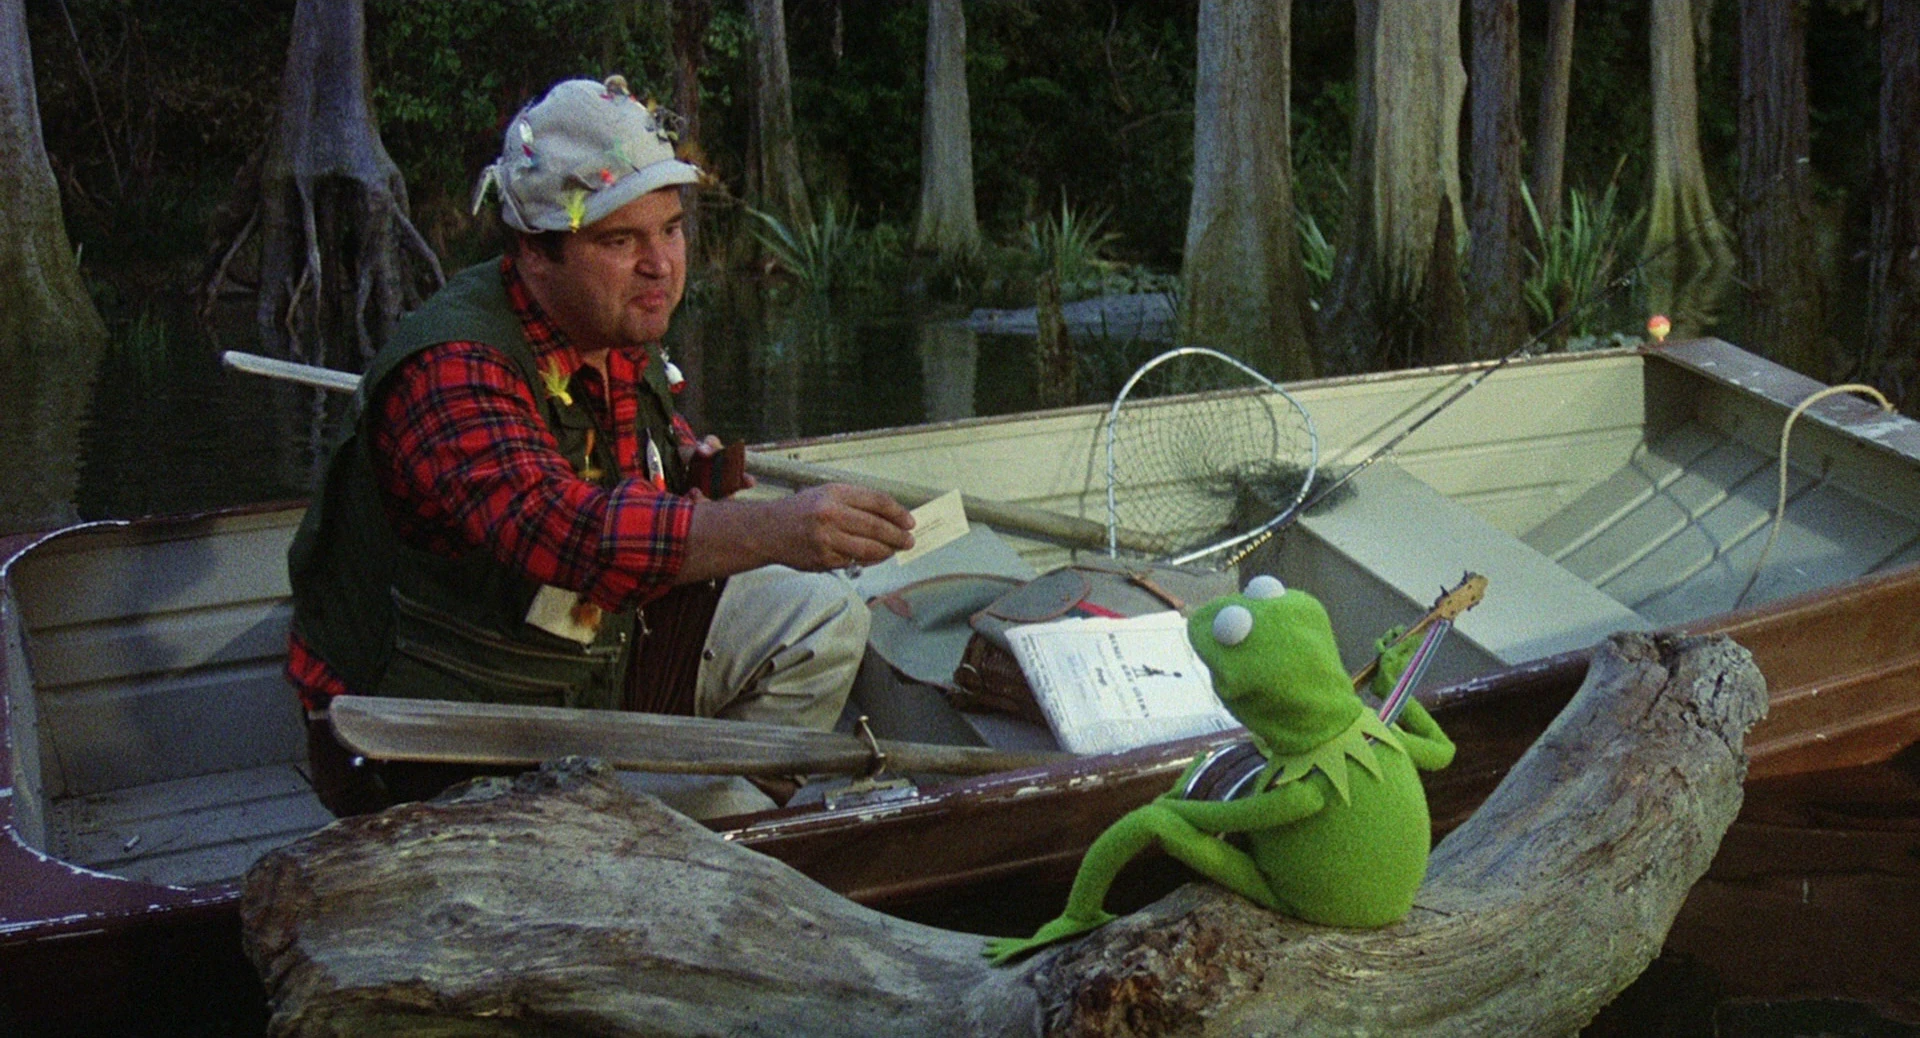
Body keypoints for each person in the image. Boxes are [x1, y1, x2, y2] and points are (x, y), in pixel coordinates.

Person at [286, 75, 915, 817]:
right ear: (535, 251)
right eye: (620, 240)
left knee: (823, 616)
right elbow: (565, 528)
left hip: (583, 667)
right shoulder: (453, 369)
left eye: (671, 229)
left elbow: (631, 472)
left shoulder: (614, 326)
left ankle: (711, 833)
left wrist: (695, 474)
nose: (661, 264)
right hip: (430, 736)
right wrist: (776, 528)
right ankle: (637, 836)